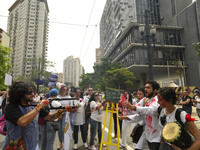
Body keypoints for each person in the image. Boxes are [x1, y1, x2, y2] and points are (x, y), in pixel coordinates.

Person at [2, 81, 61, 150]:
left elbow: (51, 117)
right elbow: (23, 121)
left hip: (33, 147)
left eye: (33, 92)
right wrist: (40, 106)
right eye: (29, 92)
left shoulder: (34, 105)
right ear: (20, 94)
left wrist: (62, 110)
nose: (33, 95)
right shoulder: (11, 107)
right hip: (17, 147)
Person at [124, 81, 161, 150]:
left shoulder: (158, 100)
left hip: (156, 136)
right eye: (145, 87)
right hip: (147, 134)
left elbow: (152, 110)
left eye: (148, 88)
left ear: (155, 90)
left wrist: (133, 107)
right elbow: (135, 110)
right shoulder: (145, 100)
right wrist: (126, 106)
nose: (145, 89)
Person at [57, 85, 70, 150]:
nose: (65, 91)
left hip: (66, 114)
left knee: (63, 129)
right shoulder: (58, 97)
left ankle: (65, 143)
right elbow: (57, 106)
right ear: (61, 90)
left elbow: (70, 106)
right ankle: (60, 142)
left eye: (66, 89)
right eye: (63, 89)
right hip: (59, 114)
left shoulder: (69, 97)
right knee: (59, 129)